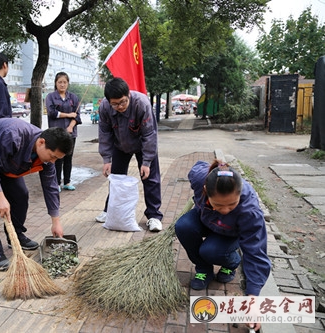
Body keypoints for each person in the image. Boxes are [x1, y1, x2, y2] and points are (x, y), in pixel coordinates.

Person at [0, 118, 73, 271]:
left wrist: (56, 222)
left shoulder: (47, 159)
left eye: (57, 158)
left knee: (20, 195)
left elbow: (51, 188)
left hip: (7, 161)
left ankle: (15, 236)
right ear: (41, 142)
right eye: (52, 156)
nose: (53, 161)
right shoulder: (13, 135)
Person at [175, 160, 271, 331]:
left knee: (210, 251)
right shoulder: (200, 180)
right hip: (208, 220)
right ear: (205, 191)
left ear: (240, 194)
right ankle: (204, 269)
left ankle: (231, 263)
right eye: (218, 204)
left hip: (230, 232)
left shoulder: (250, 212)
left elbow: (256, 252)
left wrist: (253, 299)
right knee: (183, 226)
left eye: (231, 205)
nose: (225, 210)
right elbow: (197, 167)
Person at [95, 78, 163, 232]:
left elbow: (149, 134)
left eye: (123, 102)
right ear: (108, 101)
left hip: (143, 146)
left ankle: (154, 216)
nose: (119, 107)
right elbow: (104, 134)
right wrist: (106, 159)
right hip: (119, 145)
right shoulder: (105, 107)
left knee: (150, 179)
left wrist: (146, 161)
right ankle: (109, 211)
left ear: (129, 95)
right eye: (115, 104)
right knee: (116, 179)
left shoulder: (142, 103)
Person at [46, 72, 82, 192]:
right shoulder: (51, 97)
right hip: (56, 134)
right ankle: (56, 182)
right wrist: (68, 114)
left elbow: (77, 116)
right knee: (57, 157)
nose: (62, 85)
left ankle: (67, 181)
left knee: (68, 157)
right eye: (60, 82)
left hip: (70, 133)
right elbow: (52, 113)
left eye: (64, 82)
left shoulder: (73, 98)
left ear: (68, 83)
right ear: (55, 83)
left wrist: (71, 126)